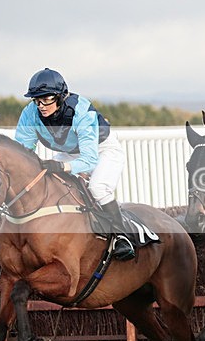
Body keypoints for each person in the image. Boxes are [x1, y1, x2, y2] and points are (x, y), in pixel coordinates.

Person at [14, 68, 135, 261]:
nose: (41, 106)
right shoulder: (30, 114)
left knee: (98, 187)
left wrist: (62, 167)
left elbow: (89, 160)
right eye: (37, 100)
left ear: (61, 97)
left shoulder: (81, 111)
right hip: (70, 152)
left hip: (102, 149)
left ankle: (121, 237)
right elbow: (22, 152)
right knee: (48, 183)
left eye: (47, 99)